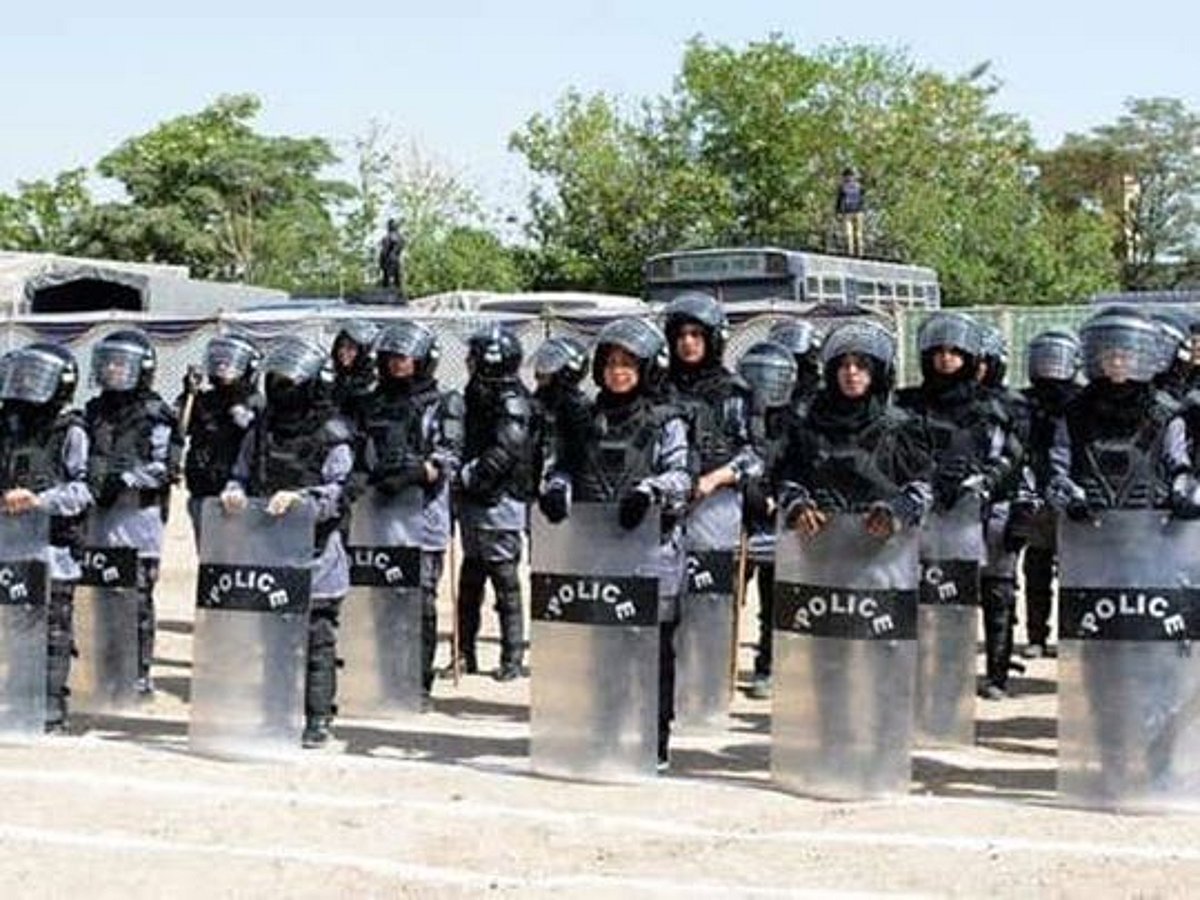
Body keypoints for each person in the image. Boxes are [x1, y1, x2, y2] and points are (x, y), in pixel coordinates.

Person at [538, 317, 692, 769]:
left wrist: (651, 492)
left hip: (651, 552)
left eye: (628, 364)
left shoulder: (667, 420)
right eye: (610, 363)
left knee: (653, 650)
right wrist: (557, 489)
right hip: (596, 552)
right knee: (600, 649)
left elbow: (682, 475)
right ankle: (603, 729)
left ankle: (653, 737)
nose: (618, 371)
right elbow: (562, 465)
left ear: (646, 368)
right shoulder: (584, 416)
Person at [221, 335, 354, 748]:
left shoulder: (333, 433)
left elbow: (338, 491)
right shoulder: (261, 428)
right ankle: (275, 712)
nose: (283, 388)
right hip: (270, 550)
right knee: (275, 639)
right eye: (276, 380)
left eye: (290, 381)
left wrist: (300, 501)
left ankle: (317, 720)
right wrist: (233, 493)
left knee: (317, 639)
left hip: (317, 555)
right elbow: (241, 472)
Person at [895, 312, 1023, 700]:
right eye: (939, 351)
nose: (946, 359)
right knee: (924, 597)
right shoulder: (909, 403)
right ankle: (921, 677)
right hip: (923, 514)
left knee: (991, 595)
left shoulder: (992, 407)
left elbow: (1011, 456)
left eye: (955, 351)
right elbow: (894, 451)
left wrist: (983, 484)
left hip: (979, 513)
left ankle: (994, 674)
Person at [353, 321, 463, 699]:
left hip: (424, 518)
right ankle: (385, 680)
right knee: (382, 601)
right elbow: (357, 450)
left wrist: (413, 475)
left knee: (420, 602)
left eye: (405, 357)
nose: (397, 364)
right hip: (378, 514)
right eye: (391, 357)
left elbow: (448, 458)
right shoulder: (372, 402)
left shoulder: (443, 403)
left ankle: (418, 682)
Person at [663, 293, 760, 716]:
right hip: (665, 512)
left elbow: (753, 456)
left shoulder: (733, 391)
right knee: (667, 606)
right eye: (681, 335)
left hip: (714, 510)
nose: (688, 343)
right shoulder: (658, 387)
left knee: (708, 605)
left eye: (696, 335)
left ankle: (705, 693)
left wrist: (715, 479)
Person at [0, 342, 92, 732]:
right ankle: (20, 699)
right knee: (19, 627)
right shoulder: (9, 427)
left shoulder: (71, 430)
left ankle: (51, 707)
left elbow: (82, 490)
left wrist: (38, 500)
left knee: (53, 629)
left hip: (55, 548)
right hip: (14, 546)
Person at [84, 329, 182, 696]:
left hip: (137, 522)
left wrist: (125, 478)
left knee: (136, 598)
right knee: (101, 598)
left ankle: (138, 674)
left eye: (121, 363)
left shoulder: (156, 413)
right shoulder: (93, 411)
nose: (113, 369)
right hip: (98, 520)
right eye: (108, 362)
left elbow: (164, 467)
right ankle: (105, 672)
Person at [777, 319, 932, 544]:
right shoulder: (809, 424)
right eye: (844, 365)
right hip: (818, 551)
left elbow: (923, 486)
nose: (851, 372)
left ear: (877, 372)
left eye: (861, 365)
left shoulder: (901, 427)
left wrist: (896, 512)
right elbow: (787, 479)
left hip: (884, 554)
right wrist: (798, 507)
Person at [454, 323, 535, 682]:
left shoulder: (511, 400)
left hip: (501, 501)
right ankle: (464, 652)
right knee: (470, 578)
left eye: (475, 356)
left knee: (504, 580)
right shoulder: (478, 393)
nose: (469, 362)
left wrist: (472, 476)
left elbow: (507, 449)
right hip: (475, 501)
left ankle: (512, 656)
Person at [736, 340, 798, 700]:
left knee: (775, 601)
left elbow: (797, 462)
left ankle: (769, 665)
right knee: (724, 597)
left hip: (777, 518)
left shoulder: (794, 419)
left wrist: (781, 496)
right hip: (739, 514)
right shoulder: (736, 414)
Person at [1016, 330, 1081, 659]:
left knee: (1077, 571)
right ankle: (1037, 635)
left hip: (1073, 497)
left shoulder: (1083, 402)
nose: (1049, 366)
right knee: (1037, 568)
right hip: (1036, 495)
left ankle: (1073, 634)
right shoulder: (1023, 403)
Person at [975, 324, 1028, 700]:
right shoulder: (947, 403)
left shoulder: (1013, 405)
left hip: (999, 507)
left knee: (998, 593)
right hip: (955, 512)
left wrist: (1023, 512)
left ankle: (997, 674)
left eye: (980, 360)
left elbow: (1026, 459)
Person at [177, 333, 264, 547]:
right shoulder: (203, 400)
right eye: (220, 361)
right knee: (209, 556)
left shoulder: (255, 402)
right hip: (203, 489)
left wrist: (237, 409)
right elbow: (180, 429)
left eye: (231, 361)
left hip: (237, 494)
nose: (224, 366)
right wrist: (188, 393)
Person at [529, 335, 591, 487]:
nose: (541, 368)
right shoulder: (540, 399)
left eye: (549, 363)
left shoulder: (577, 407)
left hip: (564, 486)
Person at [330, 320, 380, 420]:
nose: (343, 352)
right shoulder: (333, 371)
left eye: (350, 347)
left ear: (361, 351)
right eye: (341, 346)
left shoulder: (370, 377)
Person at [835, 168, 866, 257]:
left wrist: (862, 210)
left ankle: (860, 253)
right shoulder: (842, 187)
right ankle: (850, 252)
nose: (848, 178)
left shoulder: (859, 186)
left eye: (850, 176)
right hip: (847, 213)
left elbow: (862, 199)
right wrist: (838, 212)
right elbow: (839, 200)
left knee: (858, 234)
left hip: (858, 212)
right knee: (848, 234)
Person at [378, 218, 406, 293]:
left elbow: (396, 246)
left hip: (391, 259)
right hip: (389, 259)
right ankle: (393, 292)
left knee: (392, 278)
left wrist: (392, 254)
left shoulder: (393, 236)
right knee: (389, 278)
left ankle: (395, 293)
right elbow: (384, 249)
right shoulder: (391, 236)